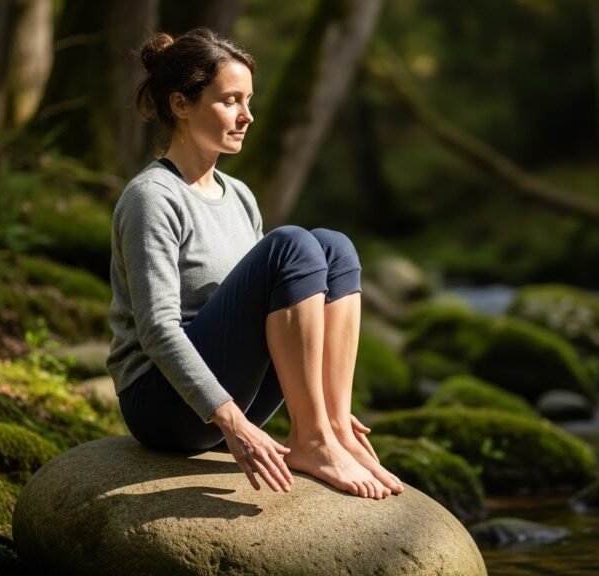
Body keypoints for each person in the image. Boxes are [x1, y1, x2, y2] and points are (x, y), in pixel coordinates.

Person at [107, 28, 403, 500]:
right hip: (165, 405)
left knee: (333, 246)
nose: (247, 116)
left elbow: (279, 305)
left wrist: (325, 398)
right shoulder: (152, 198)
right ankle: (312, 440)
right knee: (291, 245)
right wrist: (233, 423)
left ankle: (331, 428)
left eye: (249, 100)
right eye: (230, 101)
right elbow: (158, 330)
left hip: (236, 389)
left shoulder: (239, 195)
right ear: (181, 105)